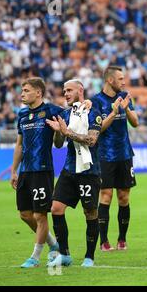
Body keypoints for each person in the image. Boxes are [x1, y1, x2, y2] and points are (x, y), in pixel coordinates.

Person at [46, 79, 102, 267]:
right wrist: (58, 132)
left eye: (69, 90)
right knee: (56, 208)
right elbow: (59, 144)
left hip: (88, 170)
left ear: (80, 90)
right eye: (64, 91)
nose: (66, 94)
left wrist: (67, 132)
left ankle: (89, 256)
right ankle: (65, 254)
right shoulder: (65, 114)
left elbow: (91, 140)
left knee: (90, 211)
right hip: (69, 169)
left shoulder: (93, 113)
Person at [10, 77, 61, 268]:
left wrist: (59, 131)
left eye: (26, 90)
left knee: (40, 216)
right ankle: (54, 244)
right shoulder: (22, 114)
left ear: (38, 92)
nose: (22, 94)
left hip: (42, 170)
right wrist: (14, 170)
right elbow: (19, 145)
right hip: (25, 171)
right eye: (22, 91)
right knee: (25, 215)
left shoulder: (51, 111)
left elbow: (59, 141)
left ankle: (36, 257)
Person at [91, 66, 139, 252]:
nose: (124, 82)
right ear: (110, 80)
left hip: (125, 154)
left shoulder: (126, 96)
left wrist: (125, 110)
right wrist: (114, 112)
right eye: (120, 79)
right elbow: (98, 128)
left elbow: (135, 123)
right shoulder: (96, 101)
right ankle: (103, 241)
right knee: (106, 195)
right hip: (104, 155)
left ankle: (122, 239)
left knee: (124, 197)